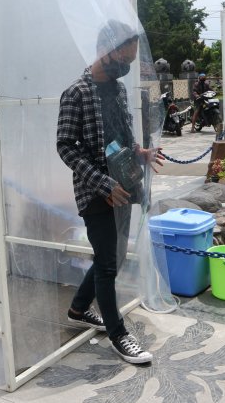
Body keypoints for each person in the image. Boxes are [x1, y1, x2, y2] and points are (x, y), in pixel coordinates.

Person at [56, 19, 164, 365]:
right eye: (124, 59)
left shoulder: (117, 90)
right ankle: (118, 334)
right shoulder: (76, 93)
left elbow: (120, 136)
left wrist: (140, 154)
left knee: (113, 257)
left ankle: (77, 309)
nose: (126, 67)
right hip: (96, 193)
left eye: (131, 61)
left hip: (124, 188)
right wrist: (102, 184)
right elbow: (66, 147)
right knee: (106, 263)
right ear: (106, 51)